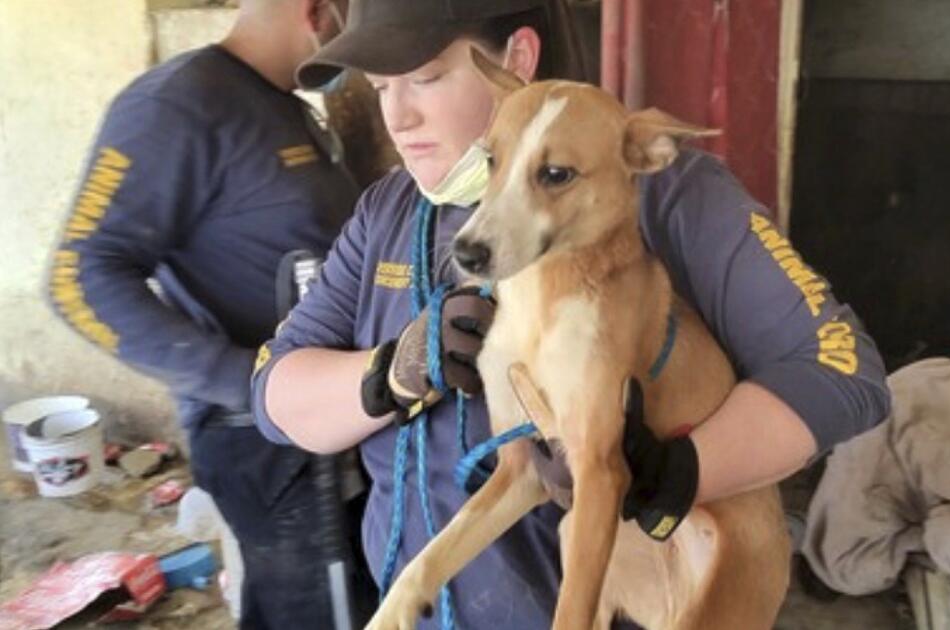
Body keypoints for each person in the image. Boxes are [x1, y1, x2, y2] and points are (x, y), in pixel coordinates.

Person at [251, 0, 891, 627]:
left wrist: (680, 471)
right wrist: (390, 372)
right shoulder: (386, 212)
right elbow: (275, 395)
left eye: (425, 78)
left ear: (517, 60)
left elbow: (844, 371)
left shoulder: (661, 191)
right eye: (380, 85)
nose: (398, 116)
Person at [46, 0, 378, 627]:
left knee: (346, 608)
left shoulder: (286, 108)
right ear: (318, 12)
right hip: (260, 440)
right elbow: (77, 277)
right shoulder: (177, 105)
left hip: (330, 419)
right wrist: (248, 383)